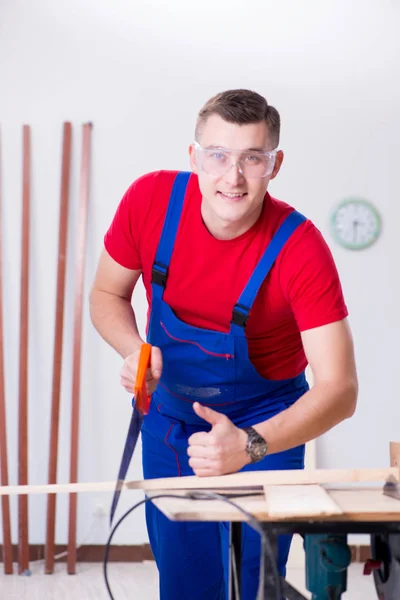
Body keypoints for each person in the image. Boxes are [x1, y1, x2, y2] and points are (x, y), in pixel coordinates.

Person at [89, 89, 358, 600]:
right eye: (217, 155)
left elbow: (341, 389)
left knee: (257, 583)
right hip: (170, 425)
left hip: (265, 428)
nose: (231, 178)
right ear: (194, 157)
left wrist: (251, 442)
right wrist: (133, 350)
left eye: (251, 159)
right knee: (186, 580)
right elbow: (106, 294)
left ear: (274, 165)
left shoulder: (299, 248)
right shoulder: (149, 203)